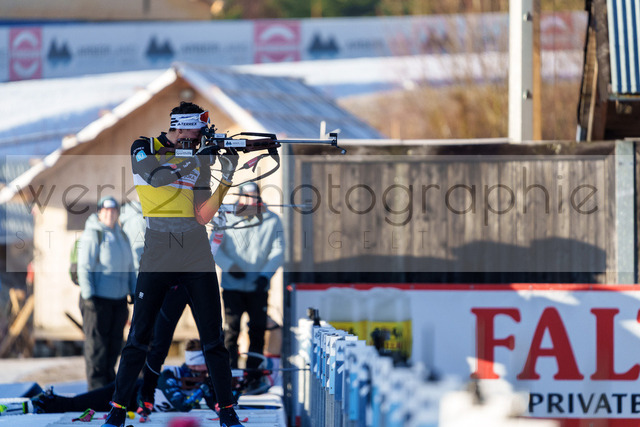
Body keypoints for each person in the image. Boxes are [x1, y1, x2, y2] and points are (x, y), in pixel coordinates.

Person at [102, 101, 243, 427]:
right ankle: (117, 411)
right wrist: (196, 158)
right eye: (197, 132)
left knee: (214, 340)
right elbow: (156, 178)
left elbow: (203, 215)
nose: (200, 138)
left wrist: (226, 178)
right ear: (181, 128)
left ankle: (227, 411)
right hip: (158, 250)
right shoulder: (143, 147)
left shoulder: (198, 158)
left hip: (195, 250)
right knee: (139, 338)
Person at [213, 182, 284, 393]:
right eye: (246, 196)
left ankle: (253, 377)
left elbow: (278, 250)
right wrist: (229, 266)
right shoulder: (226, 218)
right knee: (231, 330)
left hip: (257, 288)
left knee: (257, 331)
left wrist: (265, 275)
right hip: (232, 286)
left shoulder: (272, 220)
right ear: (240, 197)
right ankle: (230, 376)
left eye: (254, 196)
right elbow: (214, 246)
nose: (250, 200)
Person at [31, 339, 218, 415]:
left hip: (132, 408)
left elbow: (215, 405)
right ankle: (43, 402)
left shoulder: (202, 380)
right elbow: (182, 405)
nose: (202, 368)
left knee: (81, 405)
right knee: (77, 405)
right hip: (128, 393)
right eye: (199, 363)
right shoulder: (171, 374)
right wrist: (202, 390)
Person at [78, 196, 136, 391]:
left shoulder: (122, 236)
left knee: (114, 346)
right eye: (106, 210)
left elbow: (130, 267)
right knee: (97, 347)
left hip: (118, 300)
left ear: (118, 213)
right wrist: (88, 295)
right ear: (99, 212)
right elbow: (84, 266)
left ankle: (108, 388)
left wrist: (133, 290)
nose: (110, 214)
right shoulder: (93, 234)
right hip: (97, 300)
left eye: (113, 211)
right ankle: (96, 389)